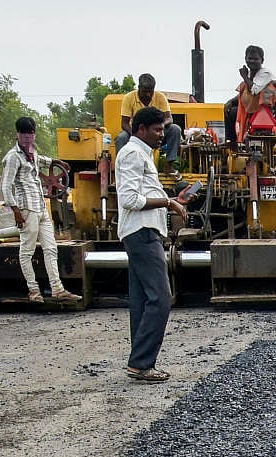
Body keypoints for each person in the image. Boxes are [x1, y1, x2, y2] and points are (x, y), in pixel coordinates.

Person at [115, 106, 188, 383]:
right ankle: (141, 362)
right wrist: (168, 202)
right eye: (157, 130)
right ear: (141, 129)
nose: (162, 135)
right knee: (160, 298)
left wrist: (175, 199)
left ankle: (140, 363)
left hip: (142, 232)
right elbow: (130, 200)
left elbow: (143, 195)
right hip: (142, 233)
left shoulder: (141, 154)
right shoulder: (133, 154)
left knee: (143, 300)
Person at [0, 116, 81, 304]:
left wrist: (57, 161)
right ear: (18, 134)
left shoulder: (33, 153)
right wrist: (16, 211)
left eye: (31, 133)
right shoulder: (13, 157)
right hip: (26, 208)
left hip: (40, 207)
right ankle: (34, 291)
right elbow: (6, 186)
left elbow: (42, 161)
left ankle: (57, 289)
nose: (28, 137)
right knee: (26, 251)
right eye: (24, 133)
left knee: (51, 248)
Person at [115, 74, 182, 173]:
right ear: (138, 88)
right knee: (121, 138)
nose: (147, 95)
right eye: (144, 91)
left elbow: (169, 118)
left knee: (175, 129)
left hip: (155, 134)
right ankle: (122, 170)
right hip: (137, 133)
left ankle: (169, 166)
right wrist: (135, 135)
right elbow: (124, 123)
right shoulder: (129, 98)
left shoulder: (160, 97)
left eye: (150, 92)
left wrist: (159, 127)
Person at [224, 45, 276, 145]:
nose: (252, 61)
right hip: (249, 108)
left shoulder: (265, 74)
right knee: (230, 111)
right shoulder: (249, 75)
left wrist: (244, 76)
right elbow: (244, 93)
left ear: (262, 60)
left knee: (235, 112)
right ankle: (232, 140)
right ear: (245, 59)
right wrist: (230, 101)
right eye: (250, 58)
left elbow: (254, 91)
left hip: (261, 111)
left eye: (256, 59)